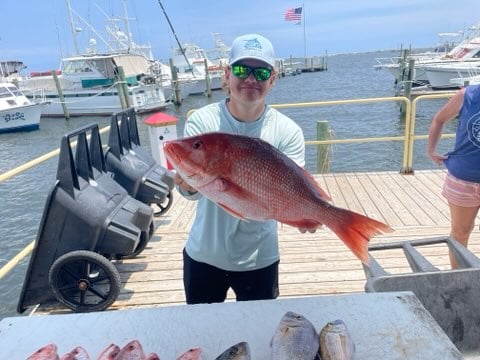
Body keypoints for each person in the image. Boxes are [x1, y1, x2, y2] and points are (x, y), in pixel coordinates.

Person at [175, 33, 309, 304]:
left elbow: (296, 189)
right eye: (241, 69)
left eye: (261, 71)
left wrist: (306, 212)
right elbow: (193, 190)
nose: (251, 78)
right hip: (204, 255)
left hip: (260, 258)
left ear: (273, 79)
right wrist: (185, 186)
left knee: (259, 334)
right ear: (226, 75)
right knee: (203, 336)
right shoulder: (203, 120)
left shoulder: (288, 131)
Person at [427, 84, 480, 268]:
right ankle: (457, 278)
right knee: (460, 231)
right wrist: (431, 150)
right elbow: (439, 119)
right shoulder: (468, 95)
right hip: (463, 179)